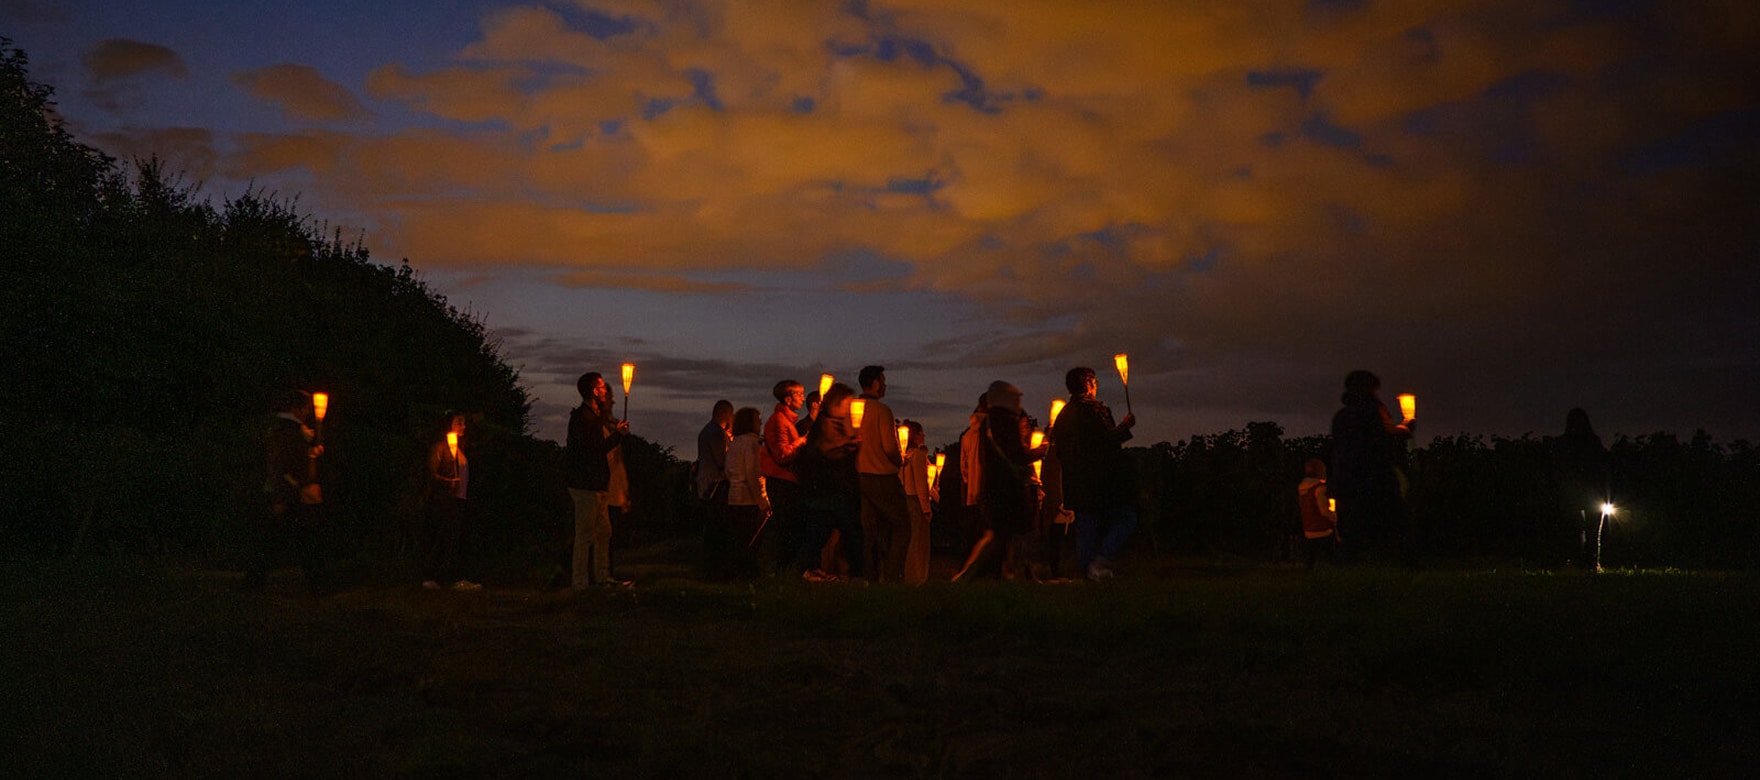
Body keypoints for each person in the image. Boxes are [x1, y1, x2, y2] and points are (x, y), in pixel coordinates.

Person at [240, 390, 333, 595]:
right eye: (306, 407)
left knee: (286, 540)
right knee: (298, 540)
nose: (309, 411)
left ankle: (255, 581)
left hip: (294, 494)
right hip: (291, 495)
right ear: (295, 408)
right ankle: (317, 584)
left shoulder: (290, 429)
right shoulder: (284, 430)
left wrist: (311, 452)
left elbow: (294, 458)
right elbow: (279, 465)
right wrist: (281, 496)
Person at [1053, 366, 1138, 582]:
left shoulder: (1063, 415)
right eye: (1095, 382)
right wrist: (1125, 426)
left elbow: (1060, 449)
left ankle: (1089, 575)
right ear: (1089, 384)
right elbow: (1106, 441)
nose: (1096, 386)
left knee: (1086, 528)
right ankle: (1100, 561)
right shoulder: (1093, 409)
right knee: (1126, 518)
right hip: (1098, 479)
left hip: (1074, 480)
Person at [956, 381, 1043, 580]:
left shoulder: (991, 422)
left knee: (1004, 536)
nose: (1019, 402)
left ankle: (1015, 574)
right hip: (1004, 489)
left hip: (999, 488)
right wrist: (1036, 453)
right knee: (1001, 537)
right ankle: (968, 576)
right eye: (1016, 398)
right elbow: (1014, 453)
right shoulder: (1001, 421)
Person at [1329, 369, 1416, 567]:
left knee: (1353, 524)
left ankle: (1345, 564)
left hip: (1348, 478)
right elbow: (1381, 437)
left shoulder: (1341, 416)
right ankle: (1408, 562)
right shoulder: (1371, 410)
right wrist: (1405, 429)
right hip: (1375, 475)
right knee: (1399, 519)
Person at [566, 372, 630, 589]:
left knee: (604, 532)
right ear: (594, 391)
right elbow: (594, 450)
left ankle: (603, 578)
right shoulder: (583, 418)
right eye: (601, 387)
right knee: (585, 535)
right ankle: (580, 583)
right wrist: (618, 435)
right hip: (586, 486)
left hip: (597, 485)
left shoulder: (593, 416)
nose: (605, 390)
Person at [794, 382, 864, 581]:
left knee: (831, 530)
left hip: (835, 490)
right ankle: (806, 569)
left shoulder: (838, 422)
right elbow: (824, 449)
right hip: (827, 489)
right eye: (847, 402)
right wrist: (846, 443)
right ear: (838, 402)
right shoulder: (826, 422)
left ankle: (809, 568)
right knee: (834, 530)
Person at [855, 365, 911, 582]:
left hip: (859, 476)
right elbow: (889, 447)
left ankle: (869, 578)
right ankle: (892, 577)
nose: (885, 385)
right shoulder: (882, 411)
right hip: (882, 476)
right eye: (883, 381)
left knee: (868, 532)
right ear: (876, 383)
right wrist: (900, 460)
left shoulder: (851, 409)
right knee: (902, 527)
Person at [423, 412, 479, 591]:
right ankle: (432, 577)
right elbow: (431, 474)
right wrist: (449, 483)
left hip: (460, 499)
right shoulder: (440, 448)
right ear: (449, 425)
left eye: (464, 423)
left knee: (456, 538)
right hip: (446, 500)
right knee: (444, 537)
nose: (463, 426)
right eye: (459, 423)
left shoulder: (460, 448)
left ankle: (453, 577)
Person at [761, 380, 808, 575]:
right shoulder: (779, 422)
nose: (803, 398)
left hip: (785, 481)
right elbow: (782, 454)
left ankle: (785, 571)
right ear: (788, 399)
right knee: (787, 528)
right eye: (799, 394)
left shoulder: (785, 421)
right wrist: (802, 441)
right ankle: (783, 571)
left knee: (789, 528)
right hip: (781, 482)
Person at [1553, 407, 1609, 566]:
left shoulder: (1563, 443)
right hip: (1590, 492)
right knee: (1591, 531)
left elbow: (1559, 469)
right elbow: (1601, 468)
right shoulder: (1592, 441)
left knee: (1577, 530)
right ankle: (1590, 563)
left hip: (1576, 493)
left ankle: (1579, 561)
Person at [722, 407, 771, 579]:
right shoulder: (752, 443)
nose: (761, 422)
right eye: (758, 419)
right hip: (749, 500)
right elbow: (753, 474)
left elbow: (728, 471)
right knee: (752, 542)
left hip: (733, 498)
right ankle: (749, 576)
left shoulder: (734, 442)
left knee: (738, 540)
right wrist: (763, 502)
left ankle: (734, 575)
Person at [899, 420, 937, 585]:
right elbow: (921, 485)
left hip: (904, 501)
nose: (924, 436)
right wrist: (926, 508)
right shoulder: (919, 456)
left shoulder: (903, 458)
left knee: (909, 540)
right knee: (919, 542)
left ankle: (908, 574)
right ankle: (918, 576)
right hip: (915, 502)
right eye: (921, 433)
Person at [1297, 458, 1339, 569]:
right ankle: (1338, 568)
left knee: (1311, 553)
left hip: (1308, 527)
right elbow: (1323, 510)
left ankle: (1309, 569)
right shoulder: (1319, 489)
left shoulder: (1302, 489)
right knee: (1331, 552)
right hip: (1322, 527)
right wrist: (1332, 516)